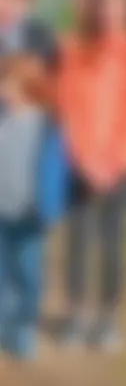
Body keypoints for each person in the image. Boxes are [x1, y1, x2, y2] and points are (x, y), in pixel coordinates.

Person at [56, 0, 126, 350]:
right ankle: (77, 314)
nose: (111, 15)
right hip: (80, 162)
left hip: (120, 166)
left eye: (118, 8)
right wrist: (86, 158)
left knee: (112, 242)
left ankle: (107, 317)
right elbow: (68, 106)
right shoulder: (75, 50)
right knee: (78, 241)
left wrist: (117, 160)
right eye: (104, 8)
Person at [0, 55, 68, 361]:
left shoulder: (44, 127)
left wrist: (49, 208)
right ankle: (6, 327)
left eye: (8, 84)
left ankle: (25, 324)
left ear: (26, 87)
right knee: (3, 275)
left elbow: (55, 171)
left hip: (30, 215)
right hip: (2, 213)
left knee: (28, 273)